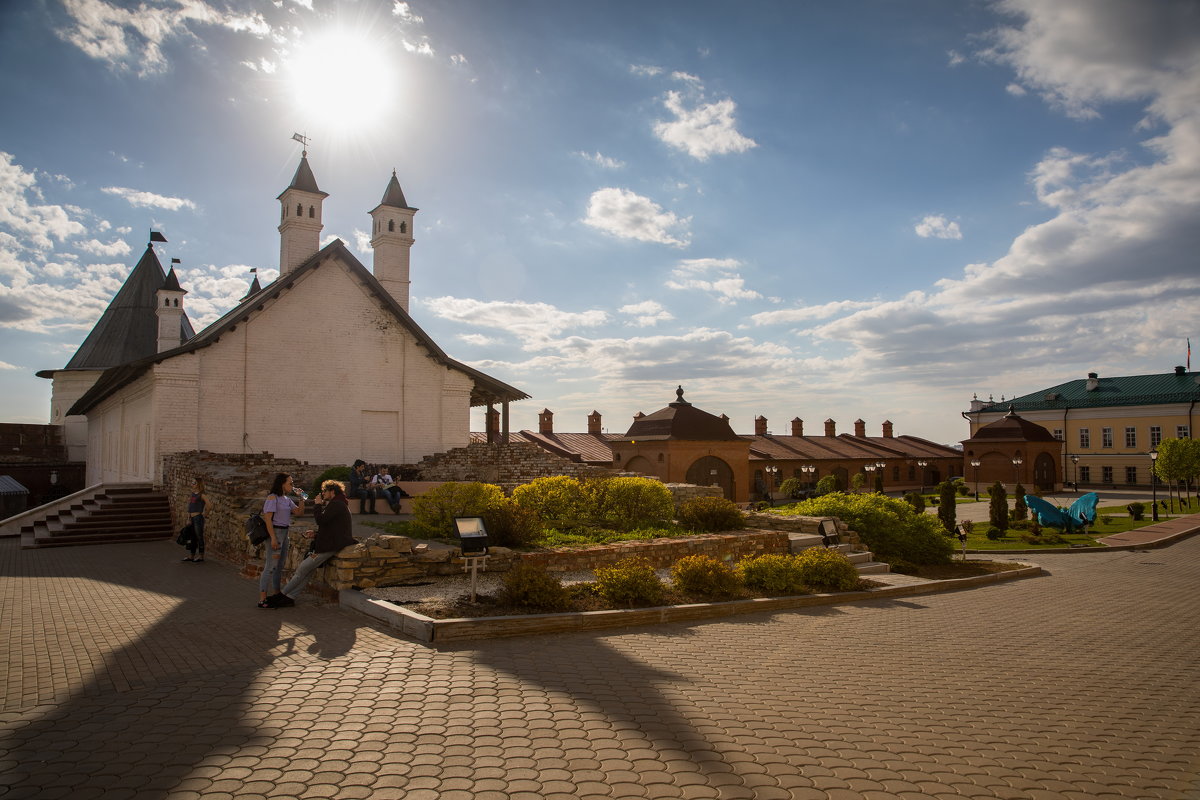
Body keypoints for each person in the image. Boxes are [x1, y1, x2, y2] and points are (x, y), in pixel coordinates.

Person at [264, 480, 356, 608]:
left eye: (324, 491)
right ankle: (290, 597)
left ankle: (281, 596)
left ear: (332, 492)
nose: (322, 493)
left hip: (329, 546)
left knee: (302, 569)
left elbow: (320, 520)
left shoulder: (337, 505)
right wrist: (316, 534)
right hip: (330, 543)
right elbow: (332, 527)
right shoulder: (338, 504)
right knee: (308, 571)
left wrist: (317, 504)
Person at [259, 473, 306, 609]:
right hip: (276, 532)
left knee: (279, 566)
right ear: (282, 484)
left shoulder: (286, 499)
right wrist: (273, 537)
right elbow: (268, 519)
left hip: (285, 533)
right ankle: (262, 598)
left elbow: (299, 513)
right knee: (270, 566)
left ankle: (277, 593)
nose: (292, 485)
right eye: (290, 483)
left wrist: (302, 498)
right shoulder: (272, 498)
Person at [182, 477, 208, 562]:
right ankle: (191, 556)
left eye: (194, 483)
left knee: (199, 537)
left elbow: (210, 505)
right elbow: (190, 507)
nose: (192, 484)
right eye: (192, 482)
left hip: (198, 518)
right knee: (192, 537)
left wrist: (205, 513)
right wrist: (188, 518)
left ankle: (201, 556)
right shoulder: (193, 494)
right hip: (192, 518)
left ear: (198, 484)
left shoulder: (202, 494)